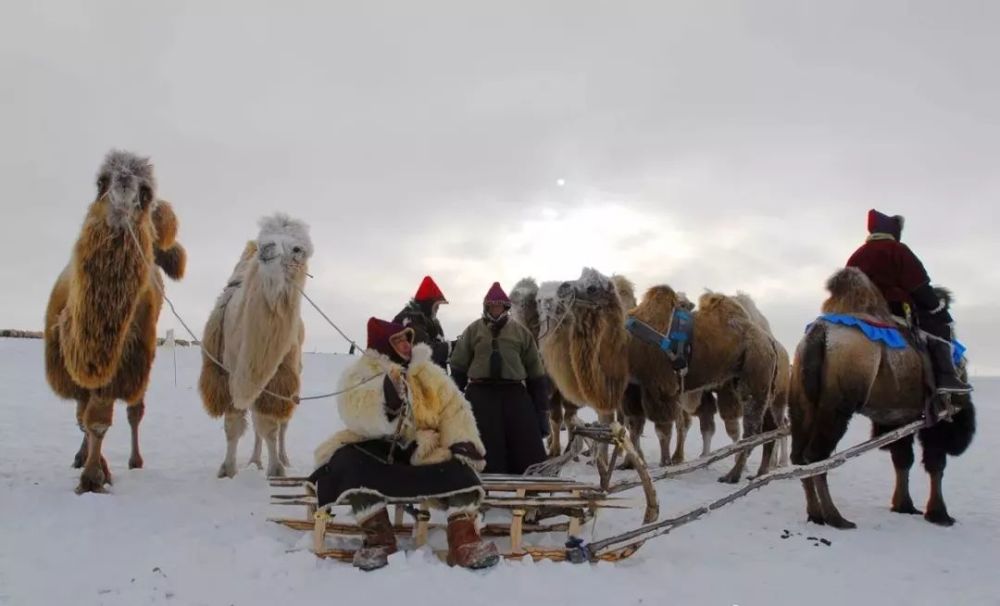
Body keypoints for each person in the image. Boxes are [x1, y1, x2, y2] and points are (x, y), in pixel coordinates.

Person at [308, 317, 500, 571]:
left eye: (406, 339)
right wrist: (386, 403)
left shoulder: (427, 373)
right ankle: (379, 540)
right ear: (382, 344)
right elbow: (352, 410)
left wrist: (463, 439)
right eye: (397, 340)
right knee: (348, 466)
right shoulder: (361, 373)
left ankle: (463, 540)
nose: (405, 345)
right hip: (376, 449)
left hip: (422, 449)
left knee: (461, 470)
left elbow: (454, 407)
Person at [846, 209, 972, 395]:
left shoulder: (857, 255)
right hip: (892, 309)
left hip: (856, 311)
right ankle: (946, 377)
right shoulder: (897, 250)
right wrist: (937, 308)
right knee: (939, 327)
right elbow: (918, 286)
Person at [449, 282, 549, 474]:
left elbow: (535, 371)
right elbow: (459, 364)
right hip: (480, 395)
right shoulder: (473, 330)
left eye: (500, 305)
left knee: (525, 443)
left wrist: (541, 411)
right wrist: (454, 401)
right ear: (486, 307)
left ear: (506, 307)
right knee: (483, 441)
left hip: (514, 394)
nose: (496, 309)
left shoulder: (520, 332)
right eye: (492, 305)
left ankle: (529, 486)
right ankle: (482, 485)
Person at [394, 276, 452, 368]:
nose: (438, 309)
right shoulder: (412, 319)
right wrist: (452, 347)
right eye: (436, 305)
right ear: (429, 304)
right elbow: (424, 351)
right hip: (412, 378)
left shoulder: (432, 322)